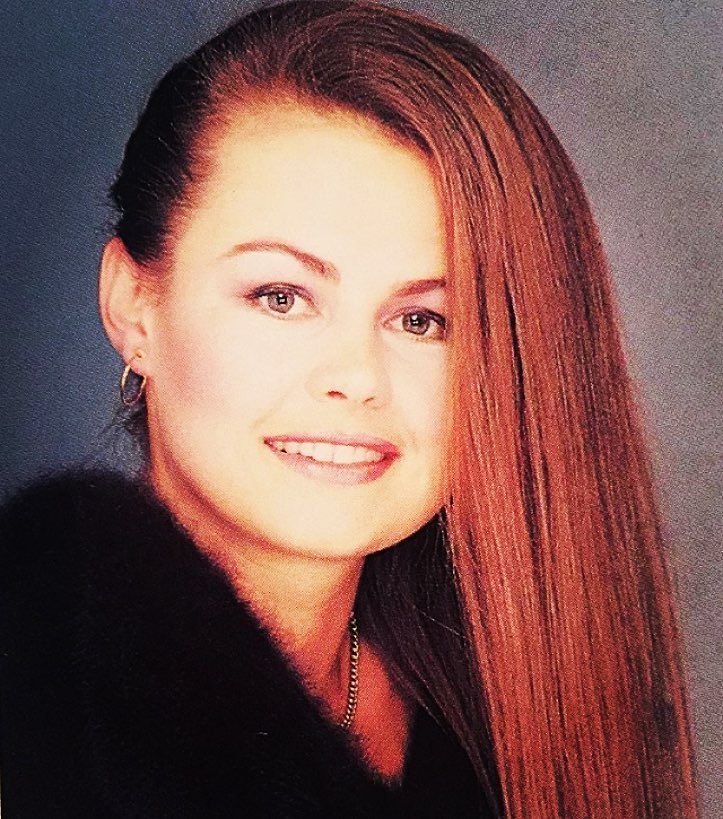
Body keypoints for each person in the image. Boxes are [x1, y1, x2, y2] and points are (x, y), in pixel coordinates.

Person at [0, 0, 699, 816]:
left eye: (422, 320)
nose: (356, 377)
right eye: (281, 295)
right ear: (133, 307)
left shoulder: (510, 702)